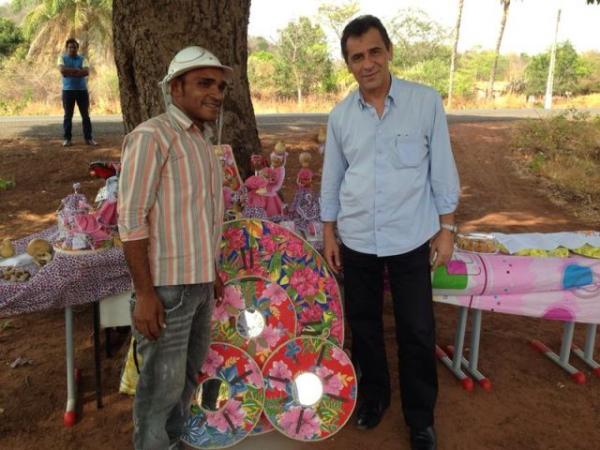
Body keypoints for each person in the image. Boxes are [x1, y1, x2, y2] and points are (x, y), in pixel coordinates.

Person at [320, 15, 460, 450]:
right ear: (348, 64)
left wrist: (447, 228)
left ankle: (420, 418)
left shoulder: (424, 102)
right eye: (357, 57)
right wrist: (329, 232)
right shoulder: (341, 116)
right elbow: (333, 177)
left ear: (389, 52)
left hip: (410, 238)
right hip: (358, 238)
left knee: (416, 330)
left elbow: (442, 167)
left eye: (374, 52)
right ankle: (375, 398)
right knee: (364, 327)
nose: (367, 64)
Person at [118, 45, 230, 450]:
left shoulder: (200, 140)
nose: (216, 93)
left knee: (184, 382)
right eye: (204, 83)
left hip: (196, 285)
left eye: (219, 86)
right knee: (159, 391)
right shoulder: (152, 136)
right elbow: (131, 220)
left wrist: (210, 270)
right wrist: (145, 294)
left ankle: (171, 444)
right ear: (175, 87)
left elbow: (197, 214)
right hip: (166, 290)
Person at [57, 38, 97, 146]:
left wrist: (69, 71)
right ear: (66, 48)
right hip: (68, 91)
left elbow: (86, 72)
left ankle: (88, 139)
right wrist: (77, 71)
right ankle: (67, 139)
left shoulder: (83, 59)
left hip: (82, 91)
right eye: (70, 47)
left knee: (85, 116)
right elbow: (62, 70)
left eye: (74, 47)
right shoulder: (62, 58)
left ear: (77, 48)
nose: (72, 49)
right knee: (68, 116)